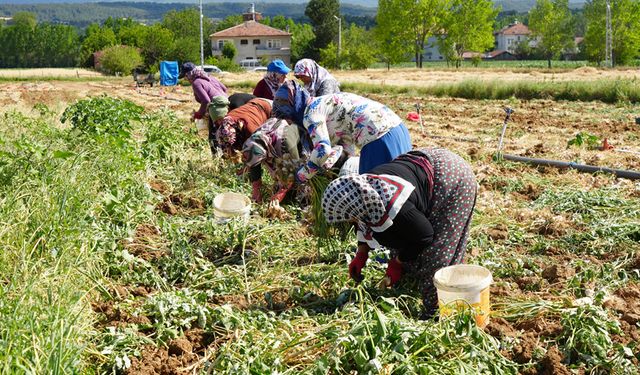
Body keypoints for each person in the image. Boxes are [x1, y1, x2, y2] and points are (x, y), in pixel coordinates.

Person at [321, 148, 477, 319]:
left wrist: (397, 263)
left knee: (437, 253)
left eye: (347, 218)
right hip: (426, 167)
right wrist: (362, 252)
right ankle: (409, 283)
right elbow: (363, 220)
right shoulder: (363, 192)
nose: (349, 222)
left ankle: (437, 313)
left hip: (452, 178)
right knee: (400, 237)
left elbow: (424, 236)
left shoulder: (395, 204)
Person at [272, 81, 412, 183]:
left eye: (287, 118)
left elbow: (323, 148)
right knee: (402, 184)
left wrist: (302, 175)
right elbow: (345, 145)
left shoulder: (311, 112)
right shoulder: (324, 103)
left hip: (378, 139)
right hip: (396, 128)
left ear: (293, 108)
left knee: (379, 191)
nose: (290, 123)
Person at [241, 119, 347, 203]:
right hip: (277, 145)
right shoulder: (255, 140)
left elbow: (293, 170)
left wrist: (281, 193)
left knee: (296, 192)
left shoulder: (285, 144)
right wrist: (256, 188)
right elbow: (254, 163)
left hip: (302, 146)